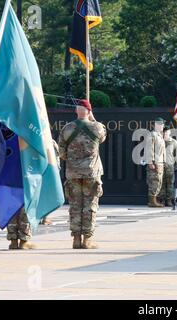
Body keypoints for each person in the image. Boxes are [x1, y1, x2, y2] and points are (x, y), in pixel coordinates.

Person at [58, 99, 107, 249]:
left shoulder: (67, 128)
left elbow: (61, 152)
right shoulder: (97, 127)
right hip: (91, 172)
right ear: (89, 111)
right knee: (90, 206)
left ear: (76, 111)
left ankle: (76, 239)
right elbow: (103, 137)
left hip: (72, 173)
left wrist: (74, 161)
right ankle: (87, 239)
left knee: (74, 206)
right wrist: (92, 118)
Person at [145, 117, 166, 207]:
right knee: (154, 181)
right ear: (157, 125)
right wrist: (150, 162)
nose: (163, 126)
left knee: (158, 182)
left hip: (160, 162)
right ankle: (152, 201)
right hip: (155, 163)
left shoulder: (159, 135)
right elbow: (150, 149)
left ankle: (154, 199)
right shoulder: (152, 135)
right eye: (161, 124)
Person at [158, 126, 177, 206]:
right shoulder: (159, 141)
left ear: (169, 132)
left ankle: (169, 200)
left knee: (170, 184)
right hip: (160, 166)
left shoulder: (174, 142)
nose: (165, 133)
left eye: (167, 132)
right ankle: (162, 200)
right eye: (164, 132)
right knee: (161, 184)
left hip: (170, 166)